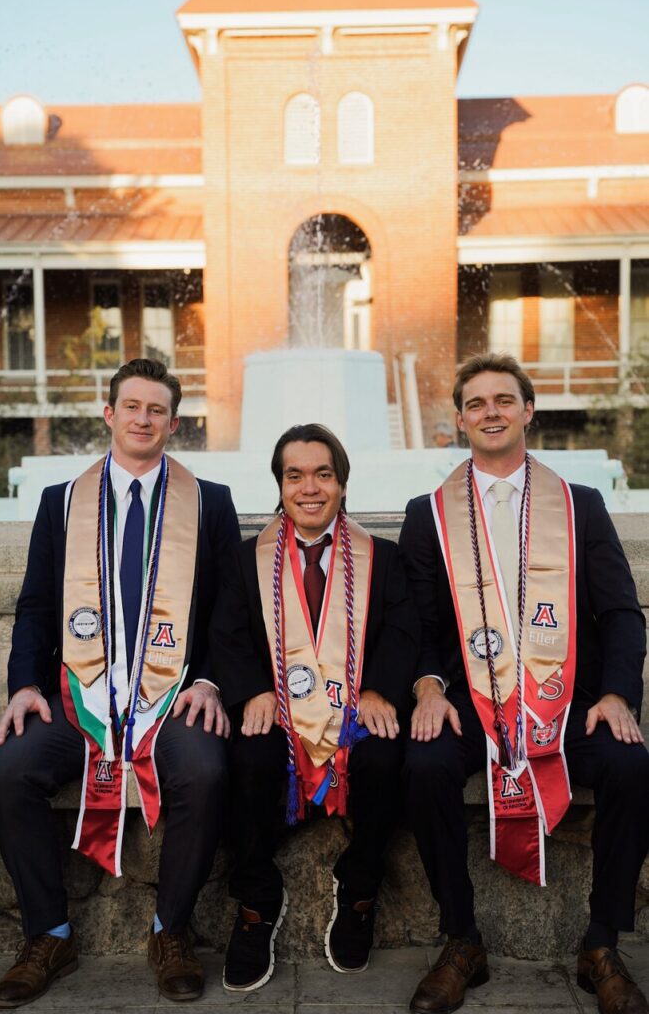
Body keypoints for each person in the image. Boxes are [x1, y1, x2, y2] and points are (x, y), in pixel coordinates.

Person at [0, 358, 240, 1008]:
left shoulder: (210, 503)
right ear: (109, 414)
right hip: (81, 700)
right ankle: (49, 933)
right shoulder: (63, 501)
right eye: (132, 406)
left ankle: (171, 930)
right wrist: (24, 685)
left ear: (173, 423)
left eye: (157, 410)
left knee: (207, 771)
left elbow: (229, 610)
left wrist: (210, 681)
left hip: (172, 697)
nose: (143, 419)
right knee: (11, 770)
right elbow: (39, 604)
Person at [399, 352, 649, 1014]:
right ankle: (461, 941)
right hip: (469, 707)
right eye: (476, 403)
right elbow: (419, 624)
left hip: (565, 704)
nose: (491, 412)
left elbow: (621, 612)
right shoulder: (427, 515)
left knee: (630, 765)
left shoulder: (580, 506)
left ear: (528, 411)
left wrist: (618, 695)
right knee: (423, 765)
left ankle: (601, 945)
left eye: (504, 400)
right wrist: (427, 685)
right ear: (459, 420)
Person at [210, 423, 418, 992]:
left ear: (342, 484)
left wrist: (379, 689)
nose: (309, 487)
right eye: (294, 474)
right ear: (278, 484)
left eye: (322, 474)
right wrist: (252, 689)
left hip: (354, 712)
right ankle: (256, 899)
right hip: (276, 709)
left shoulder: (384, 558)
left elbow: (402, 630)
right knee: (247, 758)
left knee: (382, 759)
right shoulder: (243, 560)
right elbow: (225, 633)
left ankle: (358, 888)